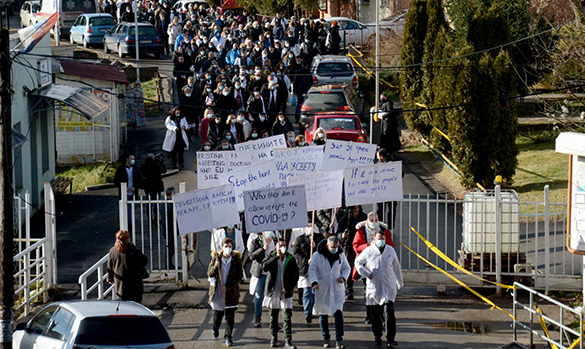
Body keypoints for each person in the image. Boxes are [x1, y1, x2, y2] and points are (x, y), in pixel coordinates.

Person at [354, 230, 403, 348]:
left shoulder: (390, 250)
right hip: (374, 287)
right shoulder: (369, 250)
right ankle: (377, 335)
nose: (381, 241)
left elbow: (396, 266)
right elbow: (358, 262)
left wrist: (399, 281)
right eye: (379, 239)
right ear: (374, 240)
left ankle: (391, 338)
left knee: (389, 313)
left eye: (382, 239)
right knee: (375, 314)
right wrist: (365, 273)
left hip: (388, 286)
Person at [352, 212, 395, 324]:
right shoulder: (361, 231)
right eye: (371, 221)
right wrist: (368, 246)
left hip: (381, 266)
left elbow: (391, 246)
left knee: (381, 292)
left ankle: (380, 315)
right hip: (367, 267)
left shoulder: (384, 232)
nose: (373, 223)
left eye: (375, 220)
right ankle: (369, 315)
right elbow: (356, 246)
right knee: (369, 292)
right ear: (367, 221)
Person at [309, 236, 350, 349]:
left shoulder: (340, 255)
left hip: (337, 289)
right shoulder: (317, 255)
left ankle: (339, 339)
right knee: (323, 314)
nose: (335, 249)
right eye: (332, 247)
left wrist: (343, 277)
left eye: (336, 247)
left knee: (338, 315)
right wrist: (314, 282)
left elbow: (347, 268)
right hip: (322, 288)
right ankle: (326, 337)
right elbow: (312, 269)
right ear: (327, 245)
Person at [262, 238, 299, 349]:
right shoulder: (270, 256)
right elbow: (264, 266)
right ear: (276, 247)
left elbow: (295, 275)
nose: (282, 247)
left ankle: (288, 340)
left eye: (284, 245)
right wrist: (276, 257)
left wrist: (288, 288)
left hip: (285, 293)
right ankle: (274, 338)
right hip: (273, 291)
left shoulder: (290, 259)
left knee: (287, 316)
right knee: (273, 317)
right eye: (280, 245)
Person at [207, 238, 243, 347]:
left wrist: (227, 287)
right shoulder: (216, 258)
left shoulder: (236, 260)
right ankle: (215, 327)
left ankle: (228, 336)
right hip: (218, 291)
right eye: (226, 246)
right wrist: (215, 266)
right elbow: (209, 273)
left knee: (230, 316)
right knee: (218, 315)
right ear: (222, 247)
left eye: (230, 246)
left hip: (230, 292)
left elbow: (239, 277)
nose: (228, 249)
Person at [293, 224, 324, 324]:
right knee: (307, 292)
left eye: (311, 225)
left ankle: (316, 309)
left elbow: (324, 251)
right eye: (308, 226)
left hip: (317, 270)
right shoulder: (300, 239)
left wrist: (316, 247)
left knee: (315, 292)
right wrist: (306, 261)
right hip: (305, 270)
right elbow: (296, 253)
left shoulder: (320, 237)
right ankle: (307, 313)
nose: (310, 227)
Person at [107, 230, 148, 303]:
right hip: (134, 286)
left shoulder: (113, 251)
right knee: (136, 307)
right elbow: (144, 261)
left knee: (123, 307)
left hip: (120, 286)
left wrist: (110, 278)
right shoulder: (134, 251)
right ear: (128, 238)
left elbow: (110, 267)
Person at [248, 231, 278, 328]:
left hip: (272, 272)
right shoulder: (256, 241)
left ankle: (274, 321)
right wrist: (263, 249)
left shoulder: (275, 239)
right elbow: (251, 256)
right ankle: (257, 317)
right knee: (258, 295)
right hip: (261, 273)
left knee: (273, 296)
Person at [336, 205, 367, 300]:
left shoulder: (363, 217)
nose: (356, 211)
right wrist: (343, 236)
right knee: (350, 266)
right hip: (349, 245)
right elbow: (339, 233)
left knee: (366, 266)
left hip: (362, 245)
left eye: (357, 208)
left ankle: (367, 287)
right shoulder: (346, 219)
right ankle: (349, 289)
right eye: (354, 209)